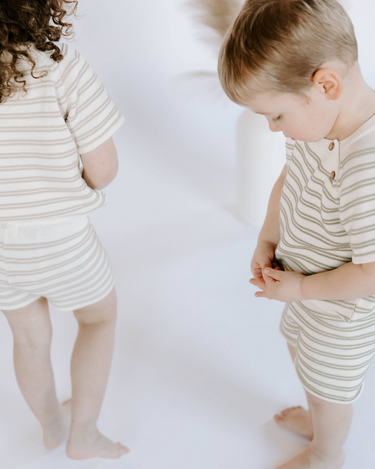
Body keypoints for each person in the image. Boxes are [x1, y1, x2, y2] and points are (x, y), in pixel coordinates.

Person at [218, 0, 375, 468]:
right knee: (300, 352)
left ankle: (328, 451)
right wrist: (268, 238)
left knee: (329, 386)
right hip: (301, 285)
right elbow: (291, 179)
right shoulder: (320, 124)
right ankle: (315, 417)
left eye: (277, 115)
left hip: (340, 312)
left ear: (325, 84)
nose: (272, 127)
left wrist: (304, 288)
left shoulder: (365, 169)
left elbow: (371, 272)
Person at [0, 0, 129, 460]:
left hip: (2, 250)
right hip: (64, 239)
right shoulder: (56, 64)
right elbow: (104, 167)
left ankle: (52, 425)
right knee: (98, 319)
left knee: (29, 339)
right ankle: (84, 434)